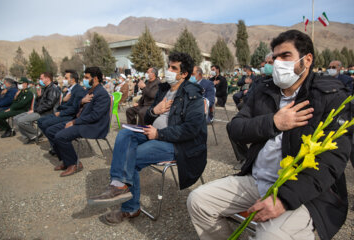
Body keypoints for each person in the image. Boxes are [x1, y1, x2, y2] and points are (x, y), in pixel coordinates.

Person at [187, 30, 351, 240]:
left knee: (270, 235)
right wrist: (273, 122)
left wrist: (284, 198)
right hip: (257, 181)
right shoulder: (264, 90)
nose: (277, 62)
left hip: (306, 194)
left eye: (286, 56)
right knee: (199, 201)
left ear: (307, 59)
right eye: (275, 57)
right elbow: (235, 128)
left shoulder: (330, 96)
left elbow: (332, 161)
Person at [88, 52, 207, 225]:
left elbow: (192, 129)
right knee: (124, 134)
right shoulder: (164, 89)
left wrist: (159, 134)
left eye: (174, 68)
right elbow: (149, 117)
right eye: (169, 66)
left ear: (184, 74)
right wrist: (154, 111)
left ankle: (130, 208)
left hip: (177, 144)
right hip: (153, 133)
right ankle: (118, 184)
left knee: (132, 156)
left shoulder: (193, 94)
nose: (169, 71)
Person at [46, 67, 110, 177]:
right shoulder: (89, 90)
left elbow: (95, 116)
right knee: (51, 130)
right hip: (82, 121)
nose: (84, 80)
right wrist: (81, 102)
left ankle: (74, 164)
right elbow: (79, 107)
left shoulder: (102, 93)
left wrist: (75, 122)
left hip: (94, 126)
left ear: (94, 78)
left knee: (61, 136)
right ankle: (66, 160)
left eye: (86, 77)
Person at [37, 70, 85, 155]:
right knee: (40, 121)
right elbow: (63, 104)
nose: (64, 80)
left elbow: (75, 109)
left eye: (66, 78)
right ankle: (55, 145)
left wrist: (60, 113)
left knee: (46, 124)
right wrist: (64, 100)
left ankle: (56, 147)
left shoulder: (79, 90)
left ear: (72, 79)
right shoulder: (68, 90)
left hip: (70, 116)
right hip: (63, 112)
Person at [14, 72, 60, 144]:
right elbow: (42, 102)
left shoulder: (53, 89)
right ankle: (30, 136)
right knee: (16, 118)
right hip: (39, 110)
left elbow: (49, 105)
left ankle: (36, 134)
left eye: (41, 78)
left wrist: (35, 110)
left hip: (46, 113)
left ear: (47, 79)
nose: (40, 80)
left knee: (21, 120)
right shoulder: (45, 88)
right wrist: (39, 97)